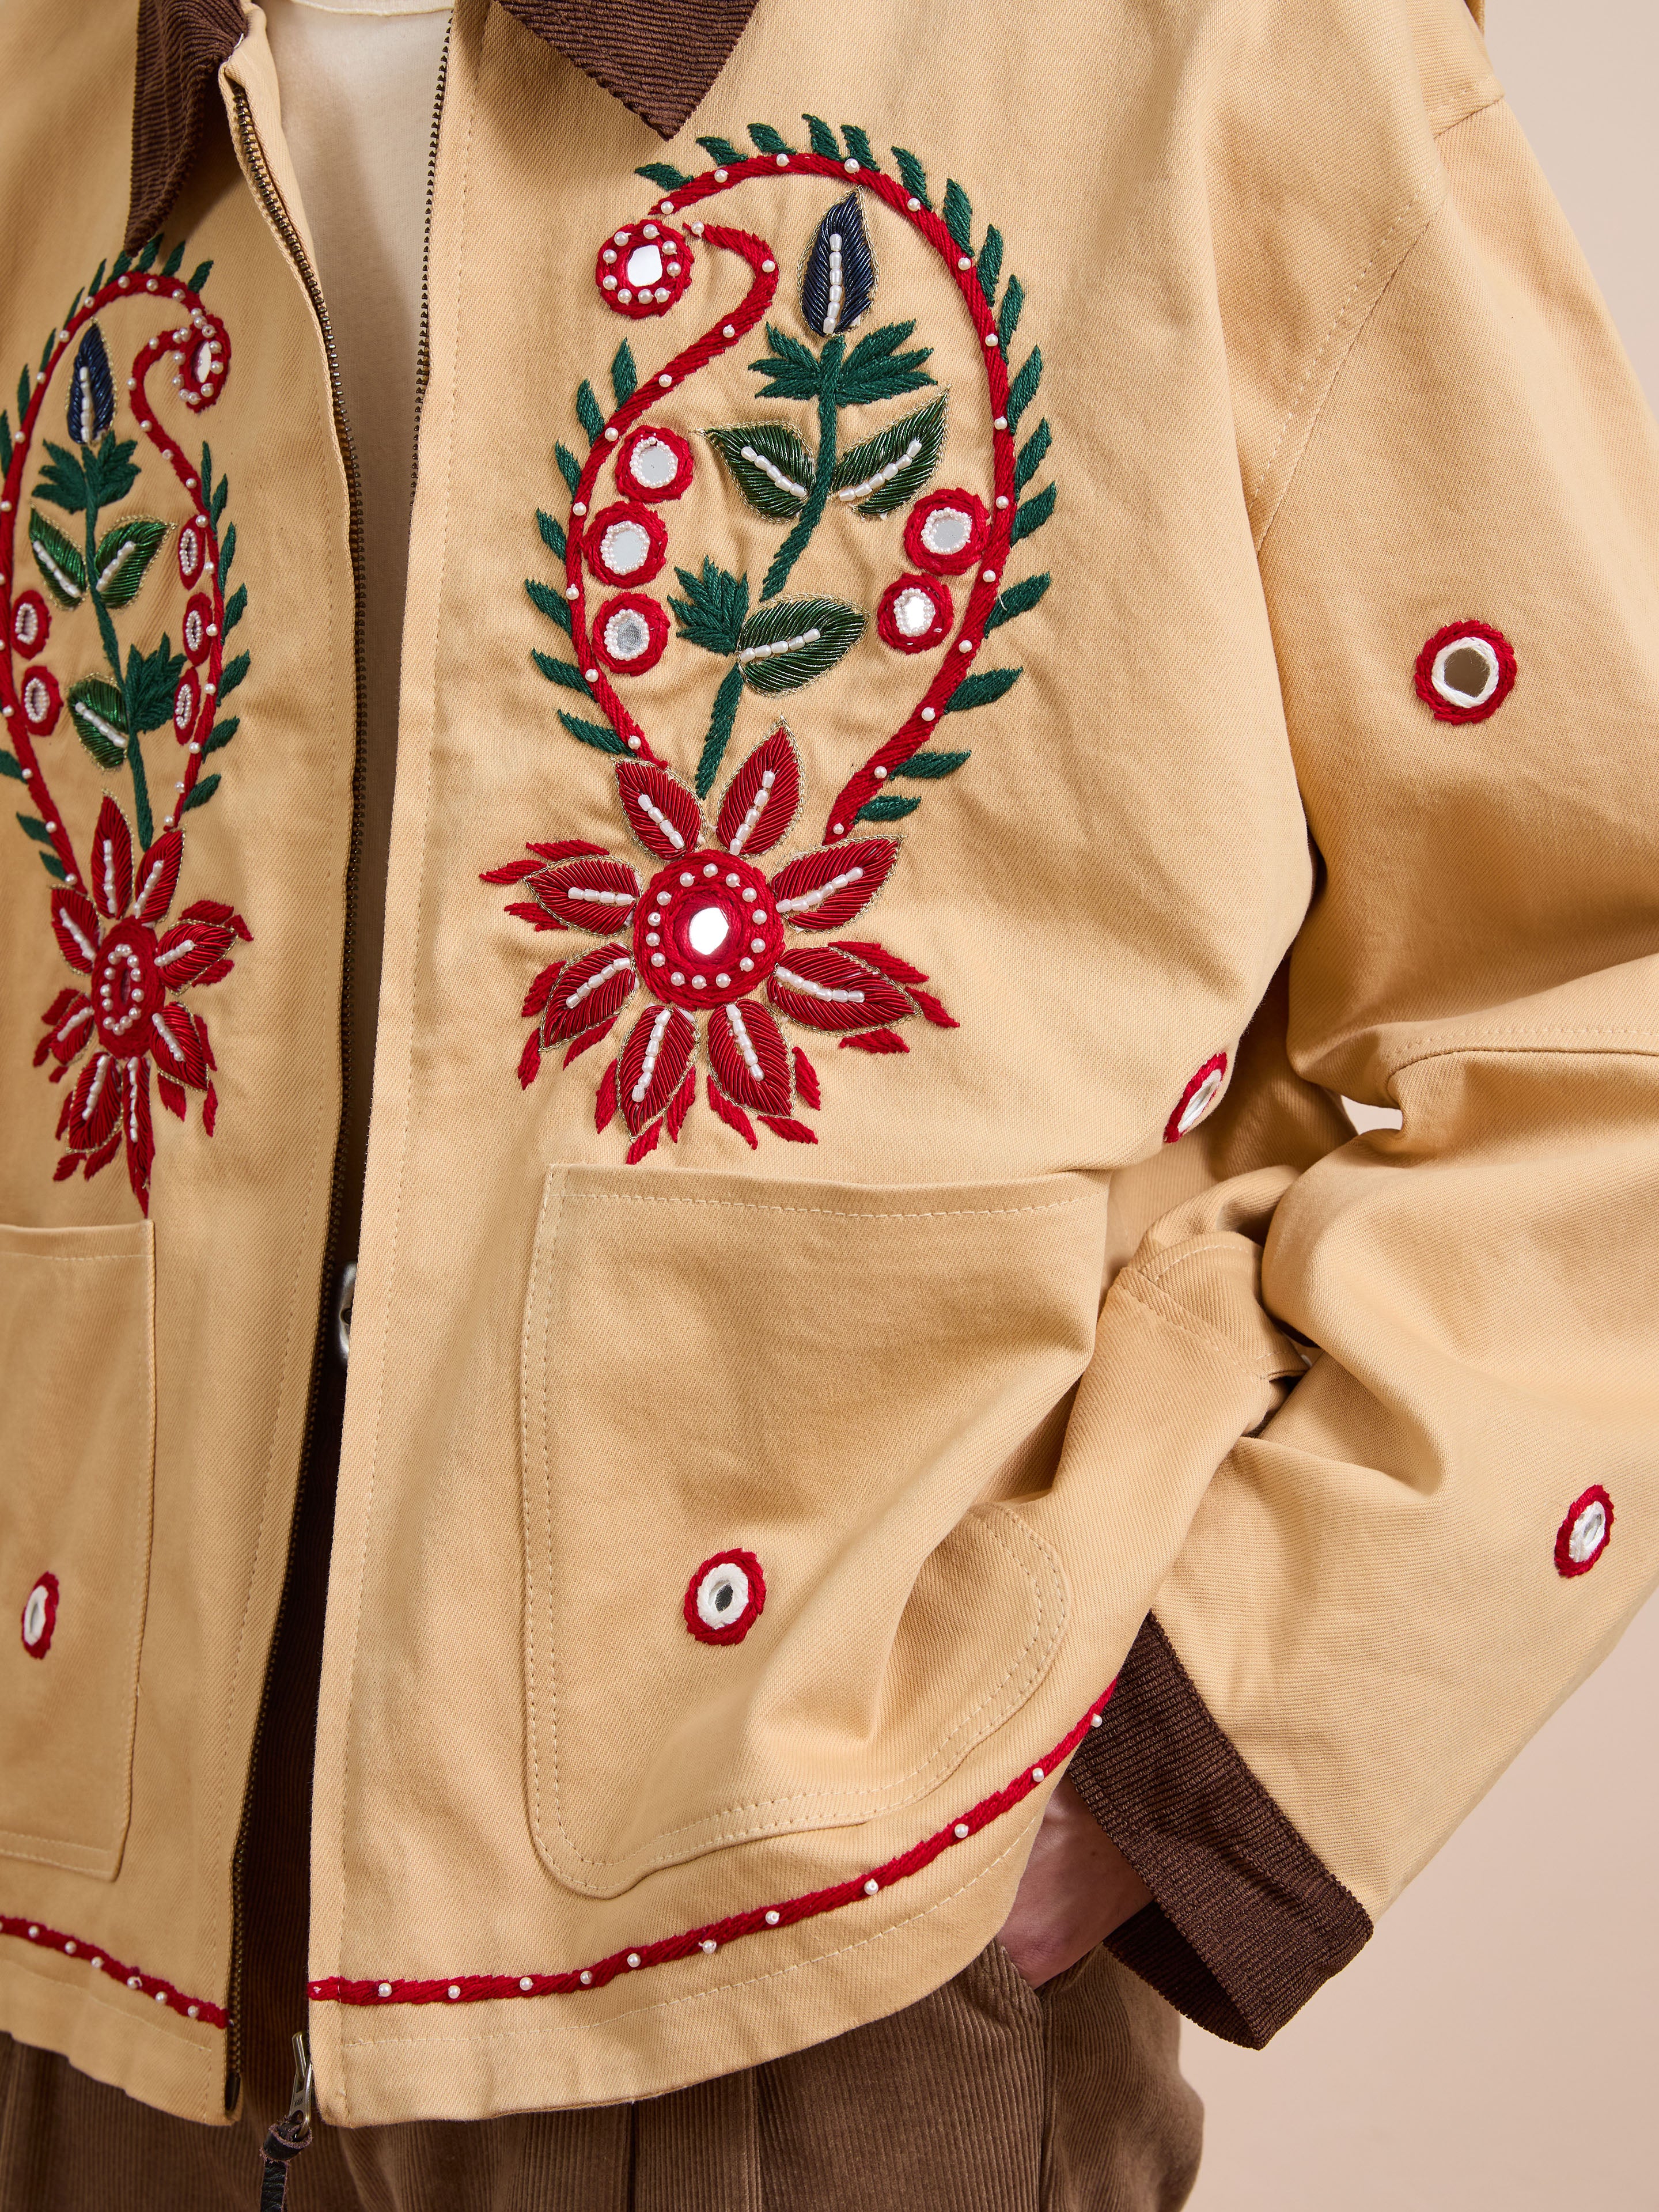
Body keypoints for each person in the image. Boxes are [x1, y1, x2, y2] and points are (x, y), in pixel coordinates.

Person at [0, 0, 1653, 2203]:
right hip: (84, 2001)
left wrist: (1176, 1781)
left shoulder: (1207, 38)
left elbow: (1596, 995)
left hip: (821, 1996)